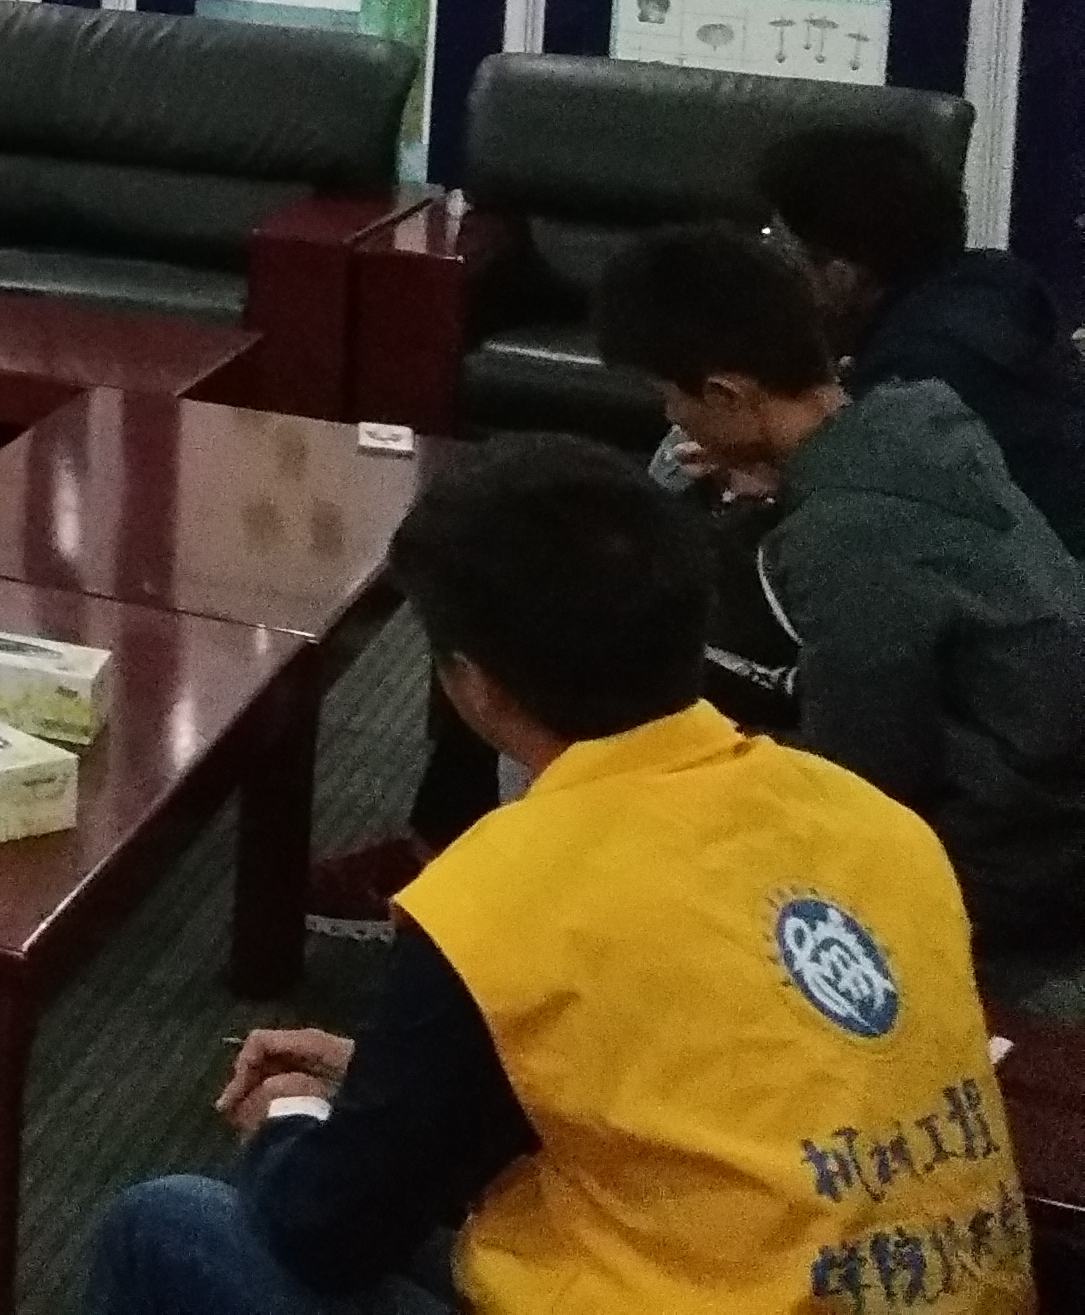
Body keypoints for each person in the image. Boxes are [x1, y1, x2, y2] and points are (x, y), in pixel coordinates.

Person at [80, 432, 1031, 1315]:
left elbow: (327, 1232)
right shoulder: (875, 822)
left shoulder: (499, 892)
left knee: (166, 1226)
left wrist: (291, 1118)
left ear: (472, 683)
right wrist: (390, 1082)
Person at [595, 219, 1085, 991]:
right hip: (1042, 788)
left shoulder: (843, 541)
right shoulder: (916, 416)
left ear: (726, 393)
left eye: (671, 398)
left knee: (635, 778)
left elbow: (862, 780)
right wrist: (785, 484)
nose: (672, 421)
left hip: (1004, 858)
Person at [761, 124, 1085, 551]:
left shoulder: (919, 376)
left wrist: (778, 483)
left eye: (777, 246)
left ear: (841, 276)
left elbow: (873, 530)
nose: (769, 267)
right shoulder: (992, 282)